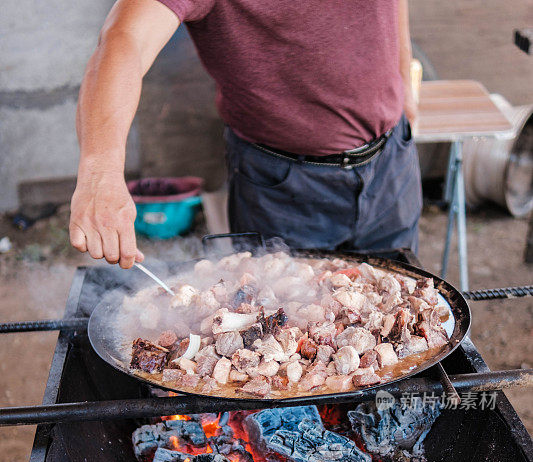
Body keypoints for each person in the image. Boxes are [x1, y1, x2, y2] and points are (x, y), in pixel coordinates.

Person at [70, 0, 421, 269]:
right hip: (282, 187)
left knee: (399, 326)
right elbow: (124, 38)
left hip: (392, 164)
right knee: (288, 341)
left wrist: (404, 79)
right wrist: (99, 172)